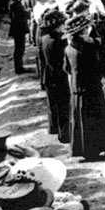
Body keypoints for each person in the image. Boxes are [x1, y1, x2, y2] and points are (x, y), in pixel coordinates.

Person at [63, 14, 105, 162]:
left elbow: (67, 68)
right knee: (100, 117)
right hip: (92, 87)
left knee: (83, 120)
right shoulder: (88, 46)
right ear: (82, 31)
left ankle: (88, 151)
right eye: (86, 28)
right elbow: (97, 63)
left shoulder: (68, 48)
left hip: (77, 88)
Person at [39, 9, 70, 143]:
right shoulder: (59, 41)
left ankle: (53, 128)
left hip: (48, 76)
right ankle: (64, 134)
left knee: (53, 105)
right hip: (60, 77)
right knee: (63, 106)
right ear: (57, 26)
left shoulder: (44, 39)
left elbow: (41, 59)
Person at [7, 0, 29, 75]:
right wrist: (27, 13)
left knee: (20, 48)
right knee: (20, 48)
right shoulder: (15, 3)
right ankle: (19, 68)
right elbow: (20, 16)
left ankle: (19, 66)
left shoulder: (14, 2)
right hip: (19, 29)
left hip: (17, 29)